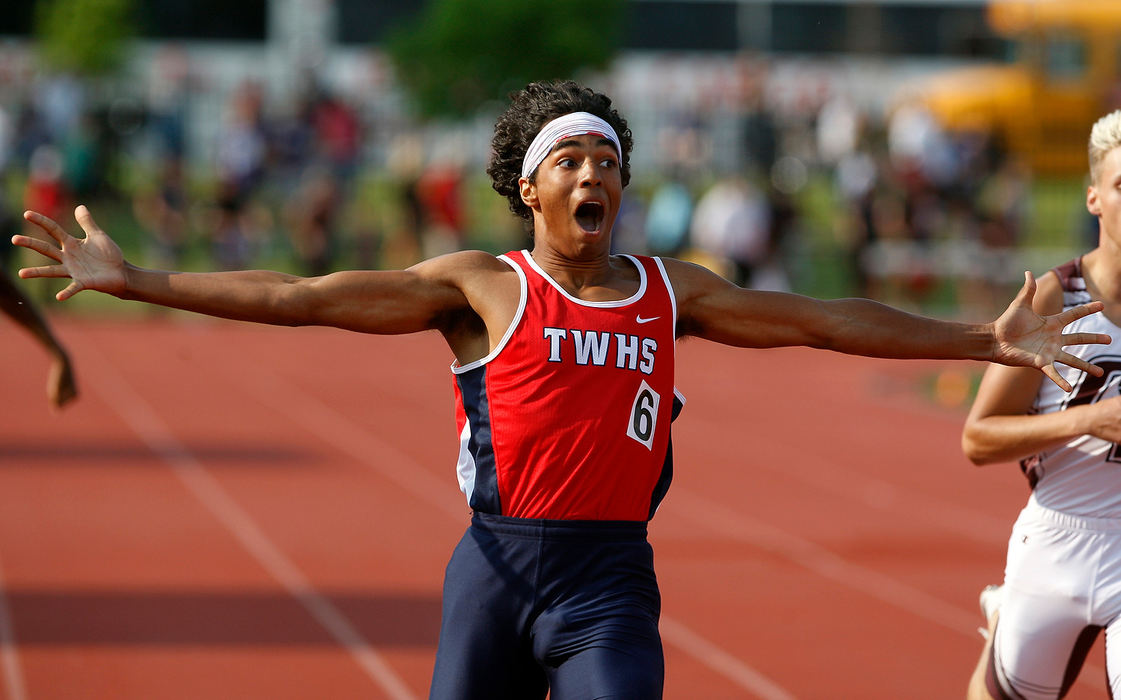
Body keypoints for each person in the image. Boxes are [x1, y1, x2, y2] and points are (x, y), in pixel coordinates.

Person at [11, 80, 1111, 700]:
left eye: (609, 161)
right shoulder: (481, 289)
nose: (595, 176)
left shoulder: (669, 291)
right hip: (493, 569)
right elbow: (300, 295)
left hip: (606, 581)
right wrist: (141, 278)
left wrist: (981, 334)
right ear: (527, 184)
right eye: (571, 160)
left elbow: (824, 321)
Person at [963, 109, 1121, 700]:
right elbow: (976, 440)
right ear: (1094, 200)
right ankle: (1003, 625)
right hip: (1058, 539)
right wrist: (1090, 419)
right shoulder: (1056, 296)